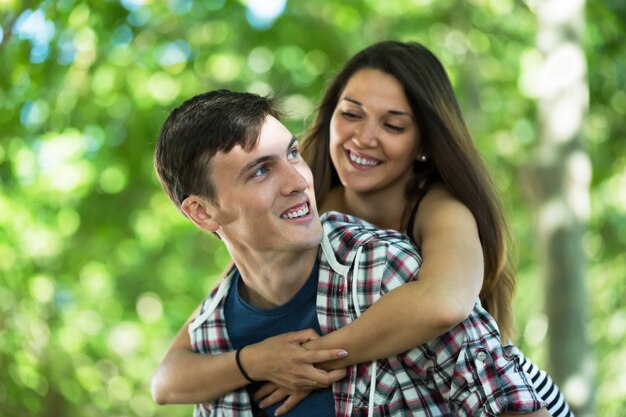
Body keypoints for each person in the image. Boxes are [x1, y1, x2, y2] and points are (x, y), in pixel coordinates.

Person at [152, 89, 550, 416]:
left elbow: (512, 402)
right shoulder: (213, 334)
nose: (297, 181)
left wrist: (313, 356)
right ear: (202, 212)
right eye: (260, 171)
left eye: (292, 153)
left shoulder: (383, 269)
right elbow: (165, 381)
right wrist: (252, 363)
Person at [300, 40, 572, 417]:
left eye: (393, 125)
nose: (364, 137)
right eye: (351, 114)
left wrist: (309, 362)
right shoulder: (303, 206)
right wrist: (253, 362)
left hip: (511, 398)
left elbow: (445, 303)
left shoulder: (440, 206)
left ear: (424, 142)